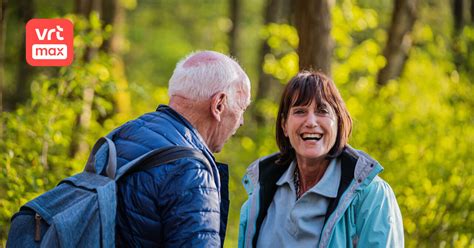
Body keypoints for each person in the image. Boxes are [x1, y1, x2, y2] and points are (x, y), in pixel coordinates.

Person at [238, 71, 403, 247]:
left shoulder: (371, 194)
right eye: (300, 111)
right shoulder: (261, 189)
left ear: (338, 123)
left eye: (322, 111)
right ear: (284, 125)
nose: (311, 122)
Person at [109, 51, 251, 247]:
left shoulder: (120, 136)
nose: (241, 121)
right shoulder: (190, 170)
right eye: (241, 109)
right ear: (219, 104)